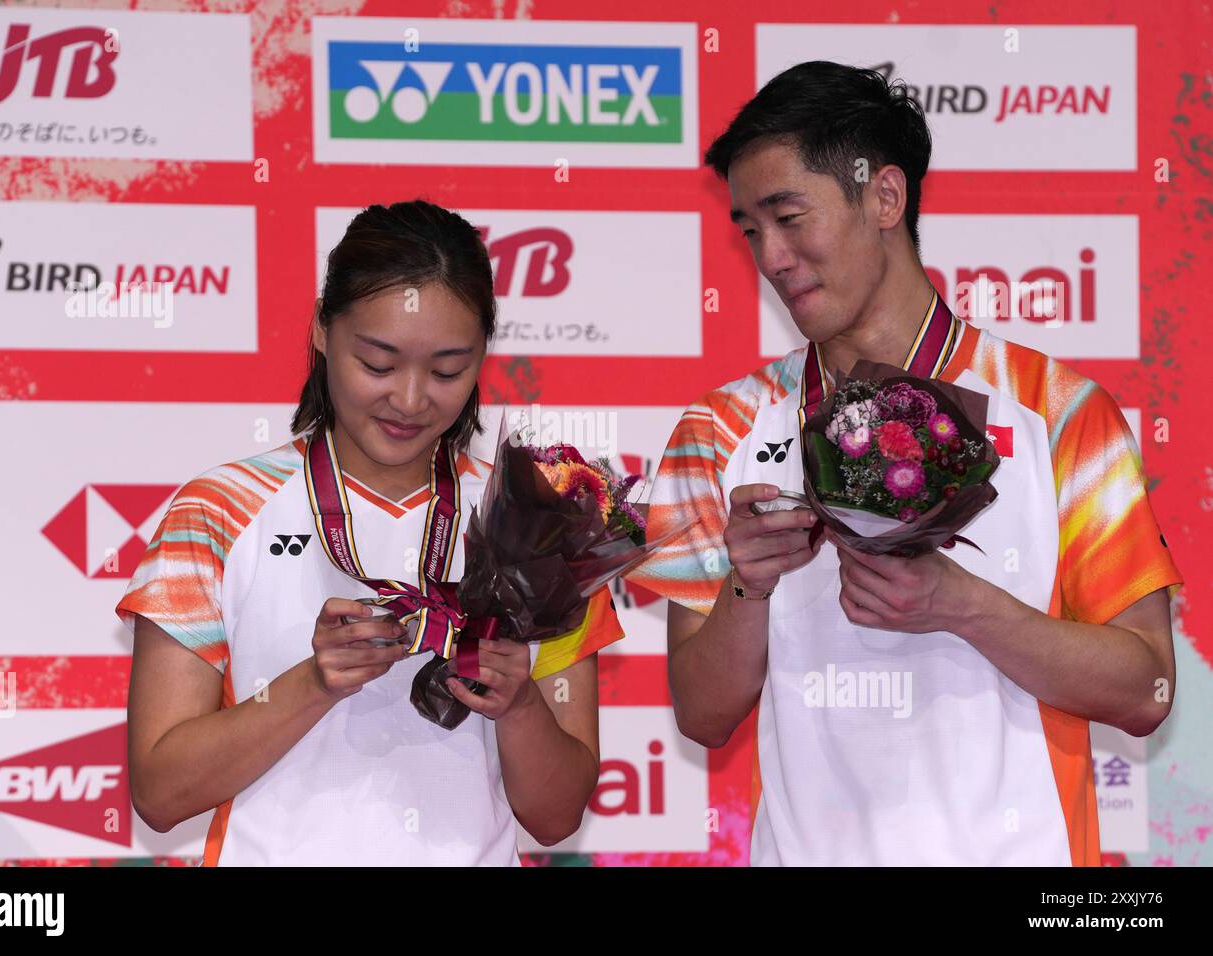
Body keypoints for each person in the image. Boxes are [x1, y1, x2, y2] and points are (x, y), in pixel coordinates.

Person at [624, 61, 1182, 866]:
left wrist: (963, 606)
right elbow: (703, 716)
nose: (773, 257)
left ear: (884, 197)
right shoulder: (719, 430)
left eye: (789, 217)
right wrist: (748, 585)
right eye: (751, 231)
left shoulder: (1059, 411)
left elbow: (1148, 690)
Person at [116, 200, 624, 865]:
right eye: (379, 364)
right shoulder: (217, 512)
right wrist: (314, 683)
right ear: (323, 331)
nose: (410, 400)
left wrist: (522, 704)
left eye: (447, 370)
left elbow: (557, 817)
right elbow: (160, 790)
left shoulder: (537, 519)